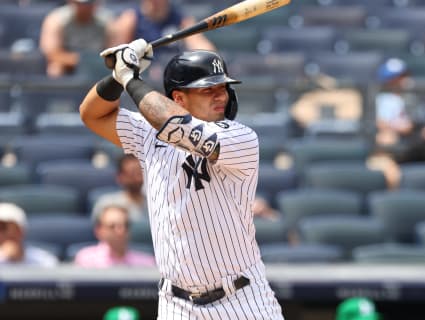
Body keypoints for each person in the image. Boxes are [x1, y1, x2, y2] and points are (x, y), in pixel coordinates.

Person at [79, 39, 283, 318]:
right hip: (176, 303)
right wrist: (116, 77)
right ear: (178, 98)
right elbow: (91, 114)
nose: (219, 95)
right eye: (206, 89)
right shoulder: (147, 134)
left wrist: (130, 78)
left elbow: (177, 127)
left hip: (241, 299)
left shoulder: (241, 138)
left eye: (222, 87)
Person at [39, 0, 115, 78]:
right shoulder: (56, 19)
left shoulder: (108, 21)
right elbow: (52, 54)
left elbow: (114, 53)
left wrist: (94, 62)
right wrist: (82, 61)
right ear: (71, 2)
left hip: (99, 64)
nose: (85, 7)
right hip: (69, 64)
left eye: (89, 3)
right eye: (81, 4)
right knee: (55, 69)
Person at [111, 0, 215, 52]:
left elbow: (200, 45)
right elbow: (118, 54)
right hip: (142, 73)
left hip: (172, 70)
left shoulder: (181, 20)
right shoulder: (130, 18)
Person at [74, 204, 155, 268]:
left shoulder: (147, 263)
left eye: (125, 225)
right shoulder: (85, 260)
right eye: (112, 226)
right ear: (98, 231)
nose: (121, 231)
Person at [93, 154, 147, 222]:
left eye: (140, 172)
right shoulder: (106, 203)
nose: (138, 178)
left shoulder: (153, 203)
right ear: (120, 177)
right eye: (132, 173)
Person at [375, 57, 414, 148]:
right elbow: (380, 123)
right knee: (386, 137)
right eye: (397, 77)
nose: (402, 80)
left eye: (404, 75)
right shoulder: (382, 98)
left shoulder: (414, 96)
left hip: (414, 136)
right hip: (394, 136)